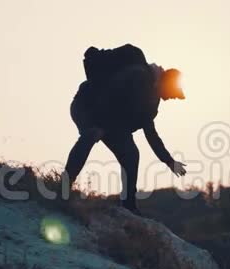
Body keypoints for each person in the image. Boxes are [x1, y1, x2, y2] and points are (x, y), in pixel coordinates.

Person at [63, 44, 187, 215]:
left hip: (111, 121)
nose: (173, 97)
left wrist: (169, 161)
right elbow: (108, 93)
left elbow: (151, 134)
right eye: (174, 92)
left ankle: (128, 205)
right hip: (86, 105)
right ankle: (63, 186)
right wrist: (98, 123)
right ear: (166, 82)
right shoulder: (138, 76)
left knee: (131, 154)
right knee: (91, 134)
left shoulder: (152, 100)